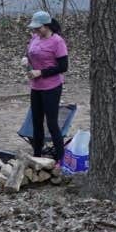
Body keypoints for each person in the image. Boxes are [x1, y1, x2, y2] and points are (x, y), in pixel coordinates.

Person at [24, 10, 68, 161]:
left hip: (52, 87)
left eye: (38, 27)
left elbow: (63, 67)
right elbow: (30, 52)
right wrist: (25, 59)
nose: (35, 30)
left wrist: (40, 73)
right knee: (36, 122)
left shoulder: (57, 42)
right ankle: (37, 156)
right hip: (36, 87)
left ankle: (60, 158)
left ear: (47, 26)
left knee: (51, 123)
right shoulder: (35, 38)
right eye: (34, 28)